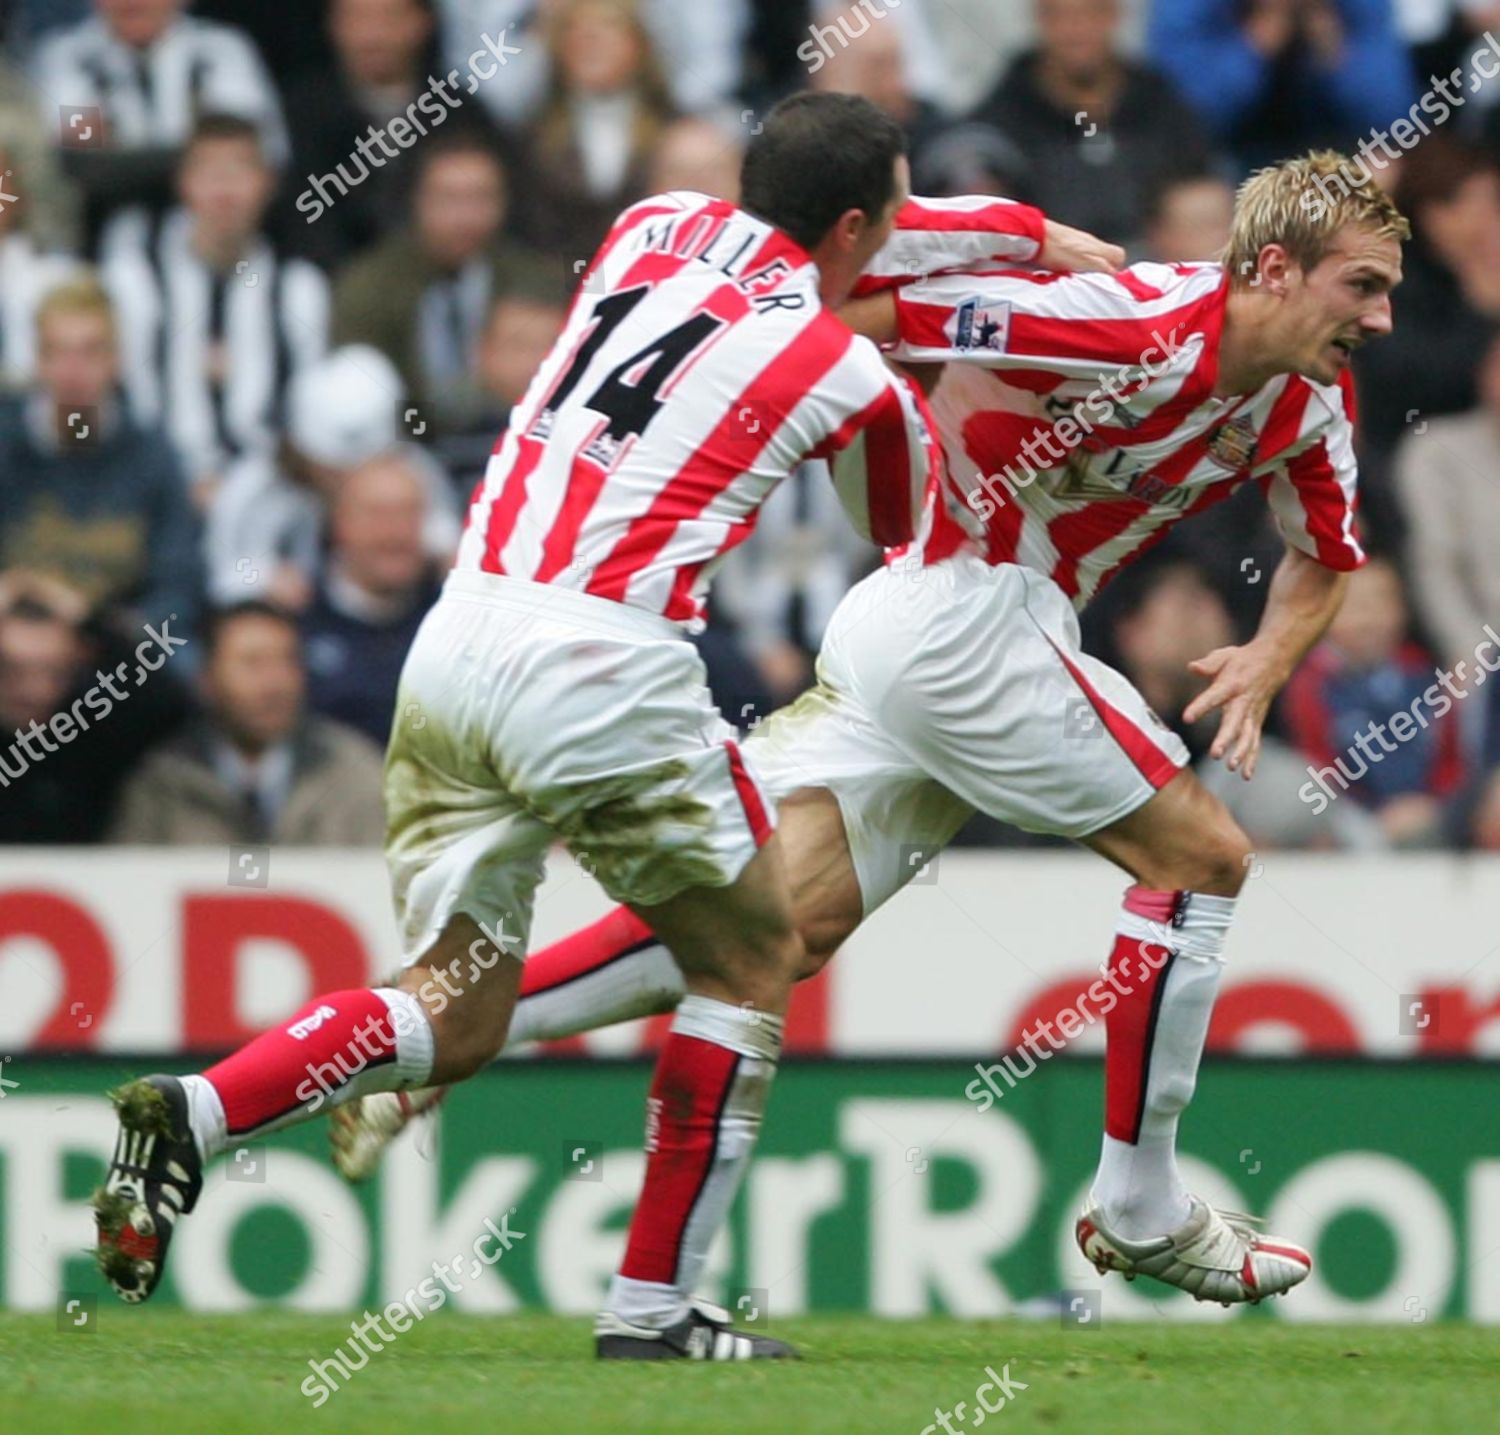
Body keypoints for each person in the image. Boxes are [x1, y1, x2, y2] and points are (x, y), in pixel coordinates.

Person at [95, 93, 1099, 1358]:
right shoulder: (846, 372)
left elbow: (864, 226)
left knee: (453, 1011)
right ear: (862, 225)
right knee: (750, 955)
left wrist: (1022, 234)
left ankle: (196, 1109)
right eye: (894, 215)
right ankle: (654, 1310)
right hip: (607, 662)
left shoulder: (654, 223)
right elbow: (902, 531)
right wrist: (945, 339)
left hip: (460, 637)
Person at [342, 149, 1410, 1313]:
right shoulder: (1123, 318)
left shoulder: (1309, 400)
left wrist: (1268, 657)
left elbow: (1324, 553)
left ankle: (429, 1039)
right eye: (1361, 285)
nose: (1384, 315)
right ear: (1270, 268)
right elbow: (847, 293)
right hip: (961, 605)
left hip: (953, 630)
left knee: (775, 930)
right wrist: (1018, 234)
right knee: (1203, 856)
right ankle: (1139, 1204)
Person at [103, 115, 330, 501]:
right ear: (183, 183)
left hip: (270, 497)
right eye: (209, 170)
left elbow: (311, 418)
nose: (225, 187)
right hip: (153, 494)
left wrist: (244, 491)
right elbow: (122, 402)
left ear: (268, 183)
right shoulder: (135, 279)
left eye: (240, 169)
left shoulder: (299, 288)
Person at [0, 278, 200, 633]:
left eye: (91, 352)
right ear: (38, 362)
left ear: (117, 361)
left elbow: (178, 583)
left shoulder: (151, 452)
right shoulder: (7, 442)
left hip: (114, 643)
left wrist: (102, 628)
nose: (73, 371)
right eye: (58, 352)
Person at [332, 133, 553, 443]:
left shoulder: (533, 278)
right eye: (449, 198)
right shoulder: (370, 284)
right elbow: (354, 382)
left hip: (510, 438)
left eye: (481, 198)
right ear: (416, 200)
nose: (466, 217)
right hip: (401, 446)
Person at [109, 602, 386, 845]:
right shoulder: (162, 785)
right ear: (206, 680)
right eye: (252, 664)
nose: (275, 684)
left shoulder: (354, 772)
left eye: (288, 661)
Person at [966, 0, 1216, 248]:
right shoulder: (999, 121)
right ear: (1039, 19)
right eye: (1060, 16)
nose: (1077, 31)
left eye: (1092, 13)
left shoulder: (1160, 105)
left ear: (1115, 16)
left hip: (1157, 272)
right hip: (1045, 272)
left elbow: (1198, 182)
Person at [32, 0, 286, 240]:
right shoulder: (67, 57)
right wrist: (193, 153)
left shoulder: (223, 49)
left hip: (207, 228)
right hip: (103, 227)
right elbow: (87, 165)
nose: (132, 2)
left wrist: (124, 153)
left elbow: (243, 152)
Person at [1282, 557, 1467, 847]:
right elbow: (1314, 765)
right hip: (1348, 822)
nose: (1368, 619)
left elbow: (1451, 758)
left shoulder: (1425, 676)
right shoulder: (1310, 685)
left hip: (1426, 816)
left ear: (1402, 610)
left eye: (1381, 603)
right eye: (1353, 606)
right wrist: (1364, 818)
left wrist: (1435, 805)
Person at [300, 455, 442, 747]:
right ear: (340, 524)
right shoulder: (297, 621)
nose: (395, 531)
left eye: (410, 513)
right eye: (378, 514)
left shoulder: (457, 619)